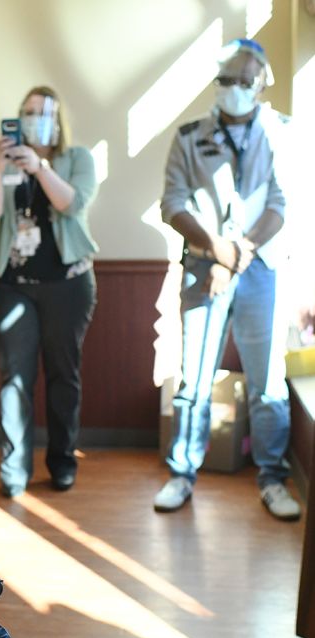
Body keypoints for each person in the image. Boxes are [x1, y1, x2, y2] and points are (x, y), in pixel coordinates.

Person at [153, 39, 299, 520]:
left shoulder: (282, 131)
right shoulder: (190, 135)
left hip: (261, 269)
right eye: (225, 79)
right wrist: (215, 249)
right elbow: (173, 203)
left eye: (243, 79)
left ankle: (273, 478)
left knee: (267, 382)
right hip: (202, 267)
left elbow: (280, 203)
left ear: (261, 82)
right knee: (193, 378)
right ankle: (181, 473)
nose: (233, 88)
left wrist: (236, 256)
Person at [0, 85, 99, 497]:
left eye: (41, 112)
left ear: (56, 117)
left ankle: (63, 461)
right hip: (13, 285)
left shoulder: (76, 157)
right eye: (26, 111)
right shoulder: (8, 159)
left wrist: (41, 167)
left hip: (68, 283)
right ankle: (14, 469)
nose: (32, 118)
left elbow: (73, 204)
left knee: (64, 375)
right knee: (15, 378)